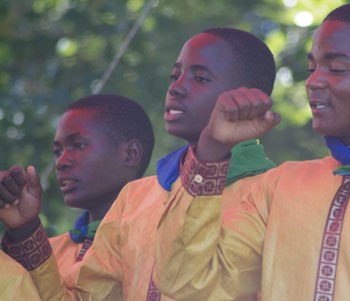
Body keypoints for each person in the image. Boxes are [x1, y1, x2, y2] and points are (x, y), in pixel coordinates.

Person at [155, 2, 350, 300]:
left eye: (336, 69)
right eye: (312, 68)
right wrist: (210, 151)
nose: (313, 81)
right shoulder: (280, 185)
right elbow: (186, 283)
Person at [0, 27, 277, 300]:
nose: (176, 88)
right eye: (175, 76)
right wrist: (25, 231)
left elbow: (194, 286)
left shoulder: (271, 194)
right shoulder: (136, 197)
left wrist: (209, 156)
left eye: (201, 78)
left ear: (249, 99)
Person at [49, 94, 154, 281]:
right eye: (58, 152)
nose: (61, 162)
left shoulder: (158, 238)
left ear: (130, 154)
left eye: (79, 145)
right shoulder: (49, 253)